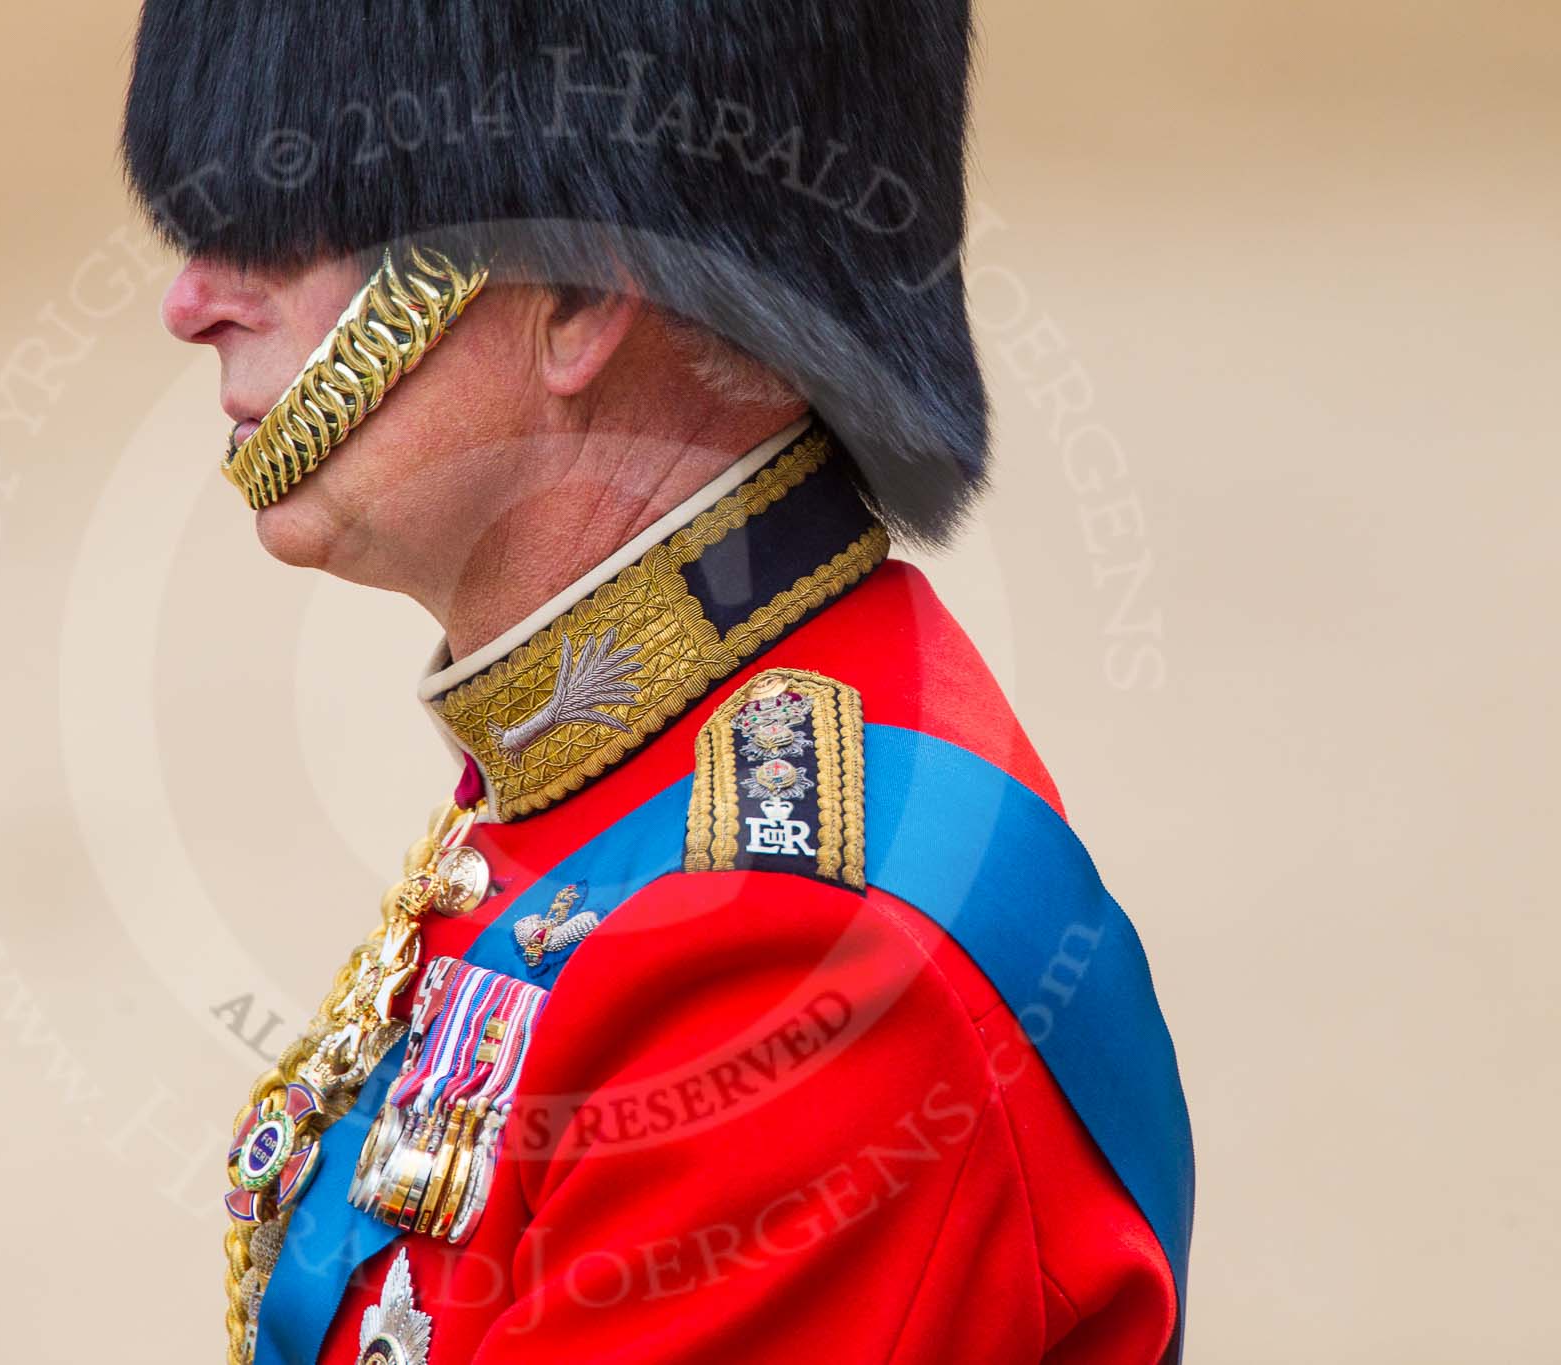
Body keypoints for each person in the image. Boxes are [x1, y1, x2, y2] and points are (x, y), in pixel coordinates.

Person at [121, 3, 1194, 1361]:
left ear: (574, 292)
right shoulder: (611, 772)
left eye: (289, 214)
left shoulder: (803, 970)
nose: (192, 298)